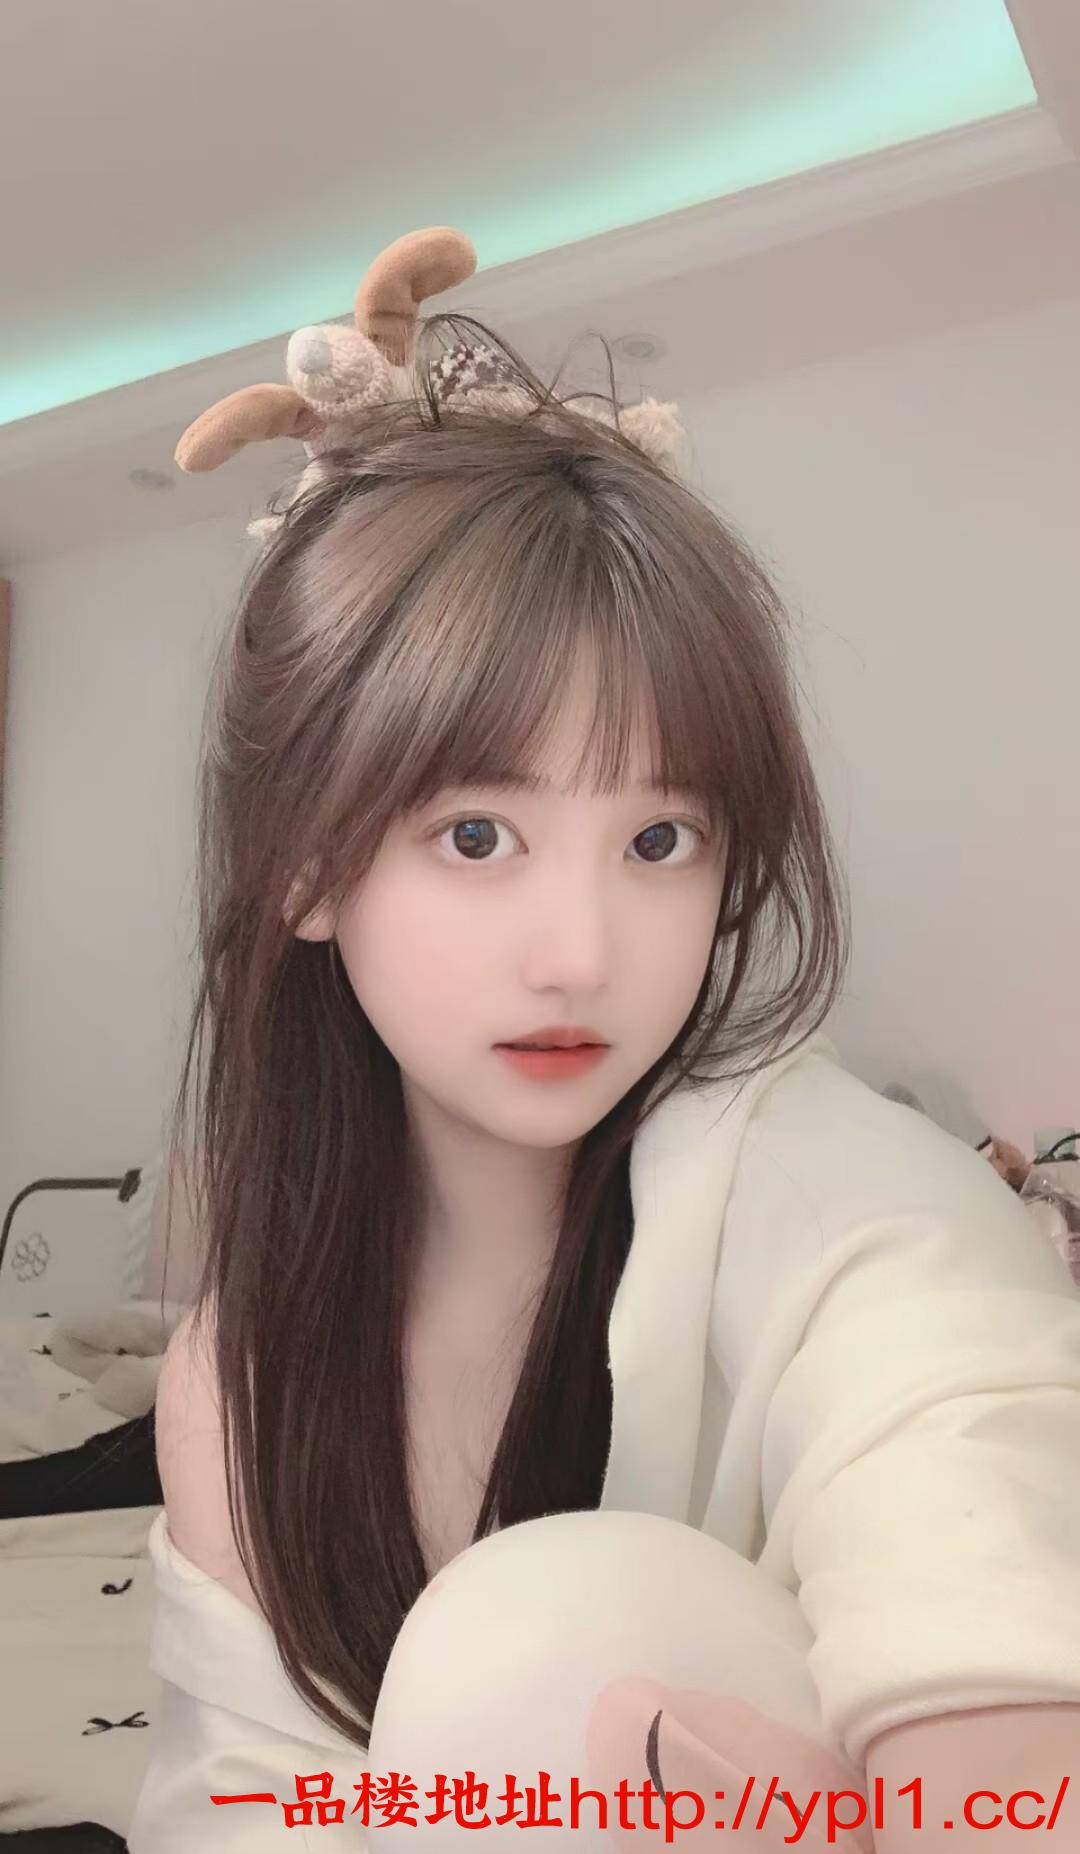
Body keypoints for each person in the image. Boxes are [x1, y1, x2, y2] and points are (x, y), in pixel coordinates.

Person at [128, 229, 1080, 1851]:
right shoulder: (241, 1375)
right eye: (477, 834)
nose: (582, 953)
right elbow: (240, 1814)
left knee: (540, 1635)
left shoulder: (860, 1213)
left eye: (660, 840)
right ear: (305, 864)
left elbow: (995, 1630)